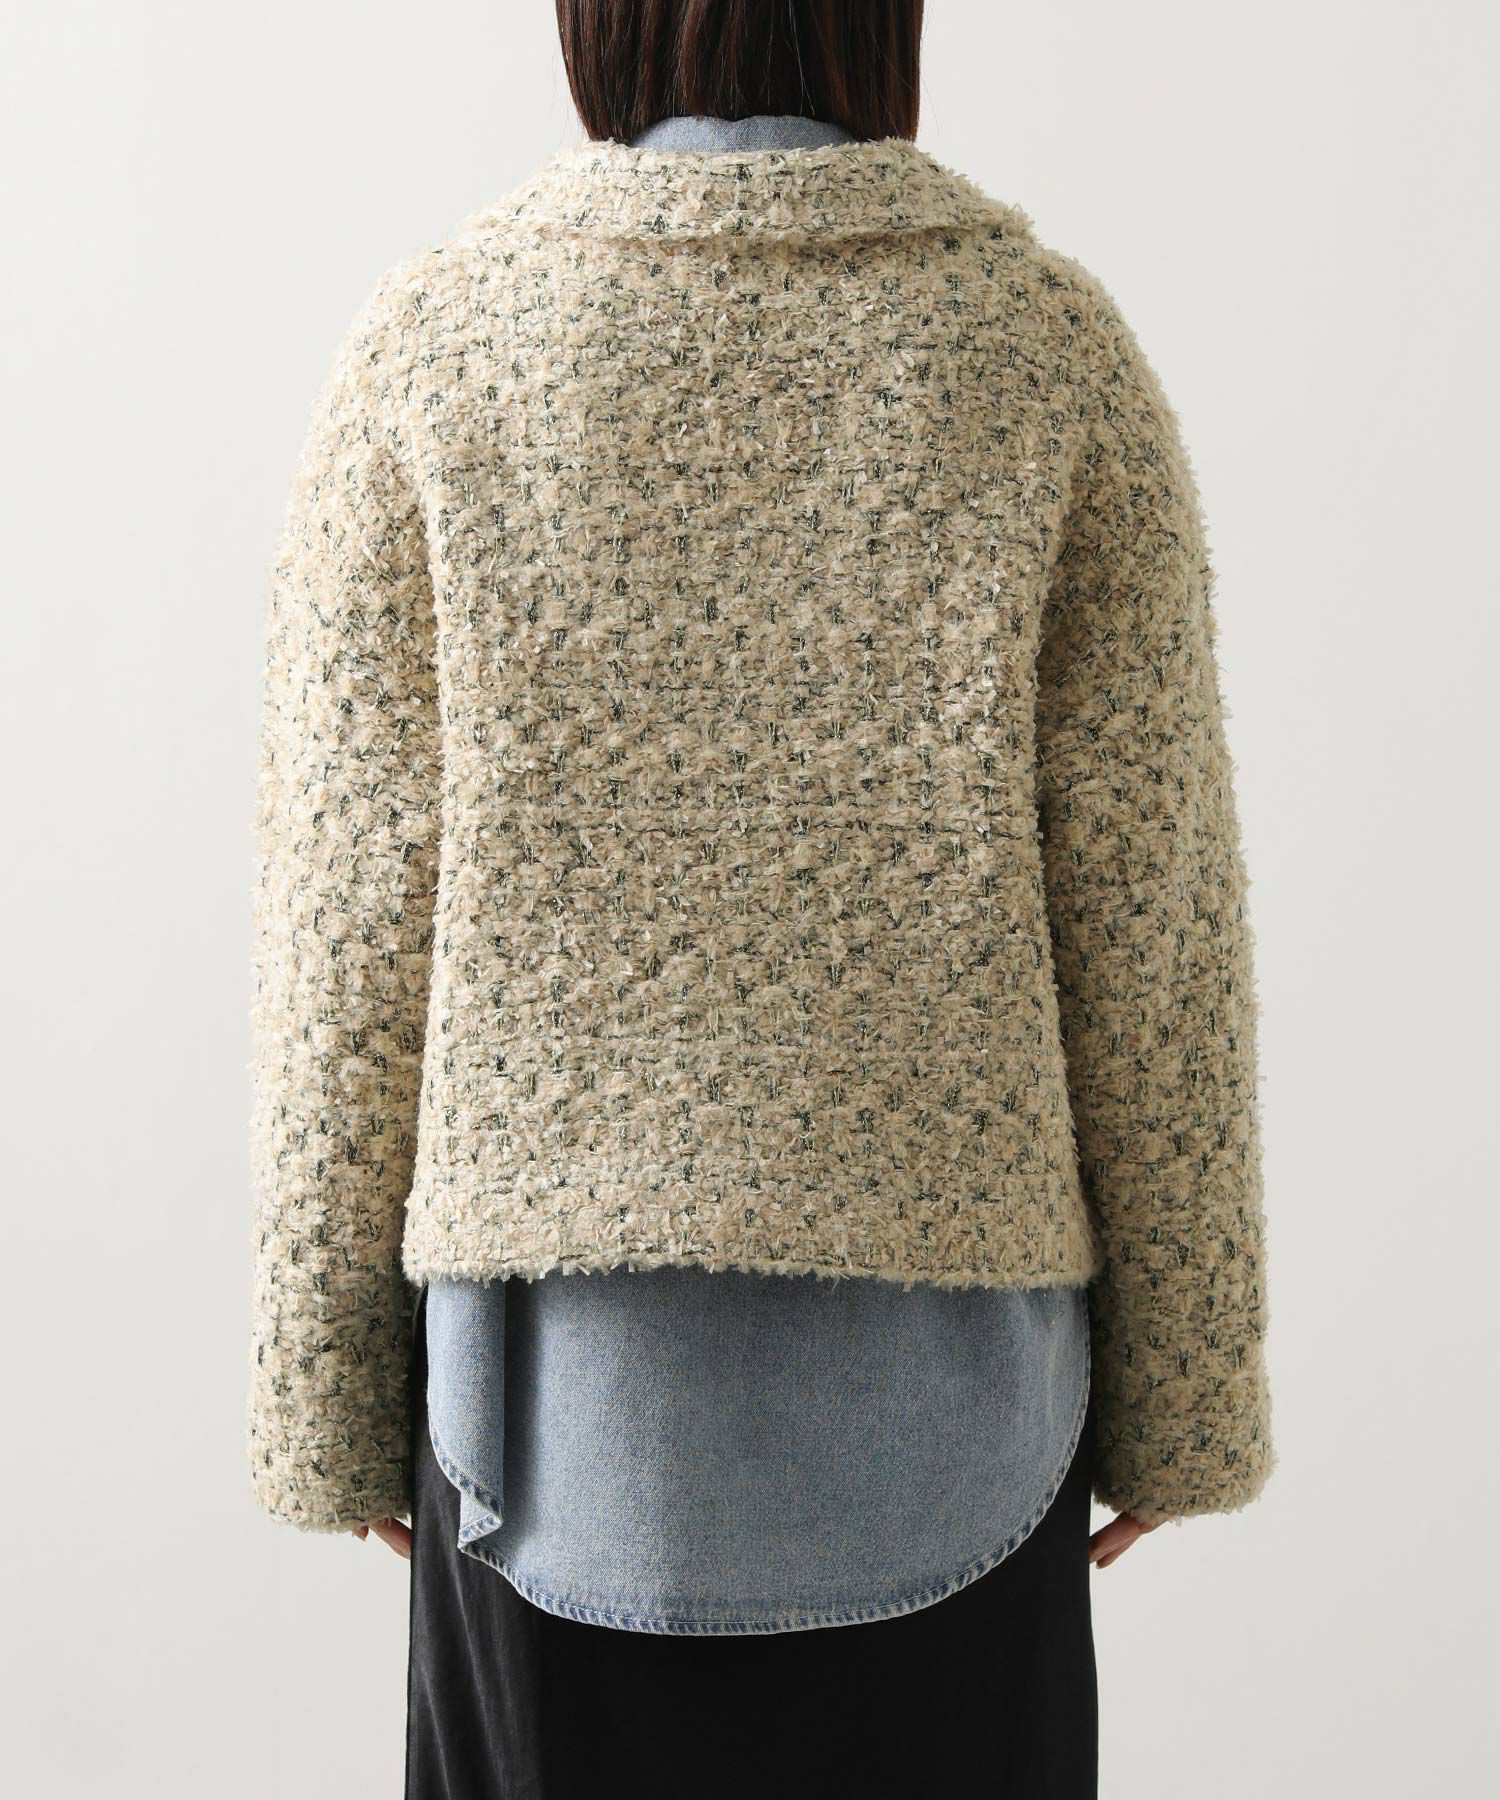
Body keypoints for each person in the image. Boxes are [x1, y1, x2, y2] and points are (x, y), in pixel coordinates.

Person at [247, 4, 1274, 1794]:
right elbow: (1152, 916)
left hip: (548, 1445)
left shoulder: (438, 349)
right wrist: (1186, 1400)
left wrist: (325, 1404)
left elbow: (351, 919)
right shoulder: (1045, 353)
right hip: (962, 1434)